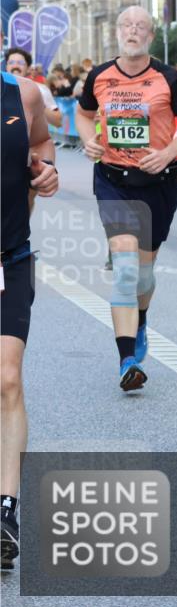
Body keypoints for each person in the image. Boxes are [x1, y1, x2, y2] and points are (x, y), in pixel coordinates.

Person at [75, 5, 177, 391]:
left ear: (149, 35)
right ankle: (127, 359)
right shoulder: (99, 76)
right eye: (127, 25)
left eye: (141, 26)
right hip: (113, 180)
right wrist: (88, 140)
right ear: (117, 32)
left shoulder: (168, 77)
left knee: (144, 274)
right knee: (127, 269)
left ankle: (141, 319)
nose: (133, 31)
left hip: (158, 182)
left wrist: (167, 153)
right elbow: (83, 115)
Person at [1, 32, 61, 572]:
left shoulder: (23, 95)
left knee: (8, 379)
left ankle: (6, 512)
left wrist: (46, 171)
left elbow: (42, 148)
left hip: (8, 259)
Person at [4, 48, 62, 128]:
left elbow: (58, 121)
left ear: (28, 68)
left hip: (30, 140)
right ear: (6, 67)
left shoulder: (39, 89)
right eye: (11, 62)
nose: (15, 66)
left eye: (20, 63)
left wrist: (37, 105)